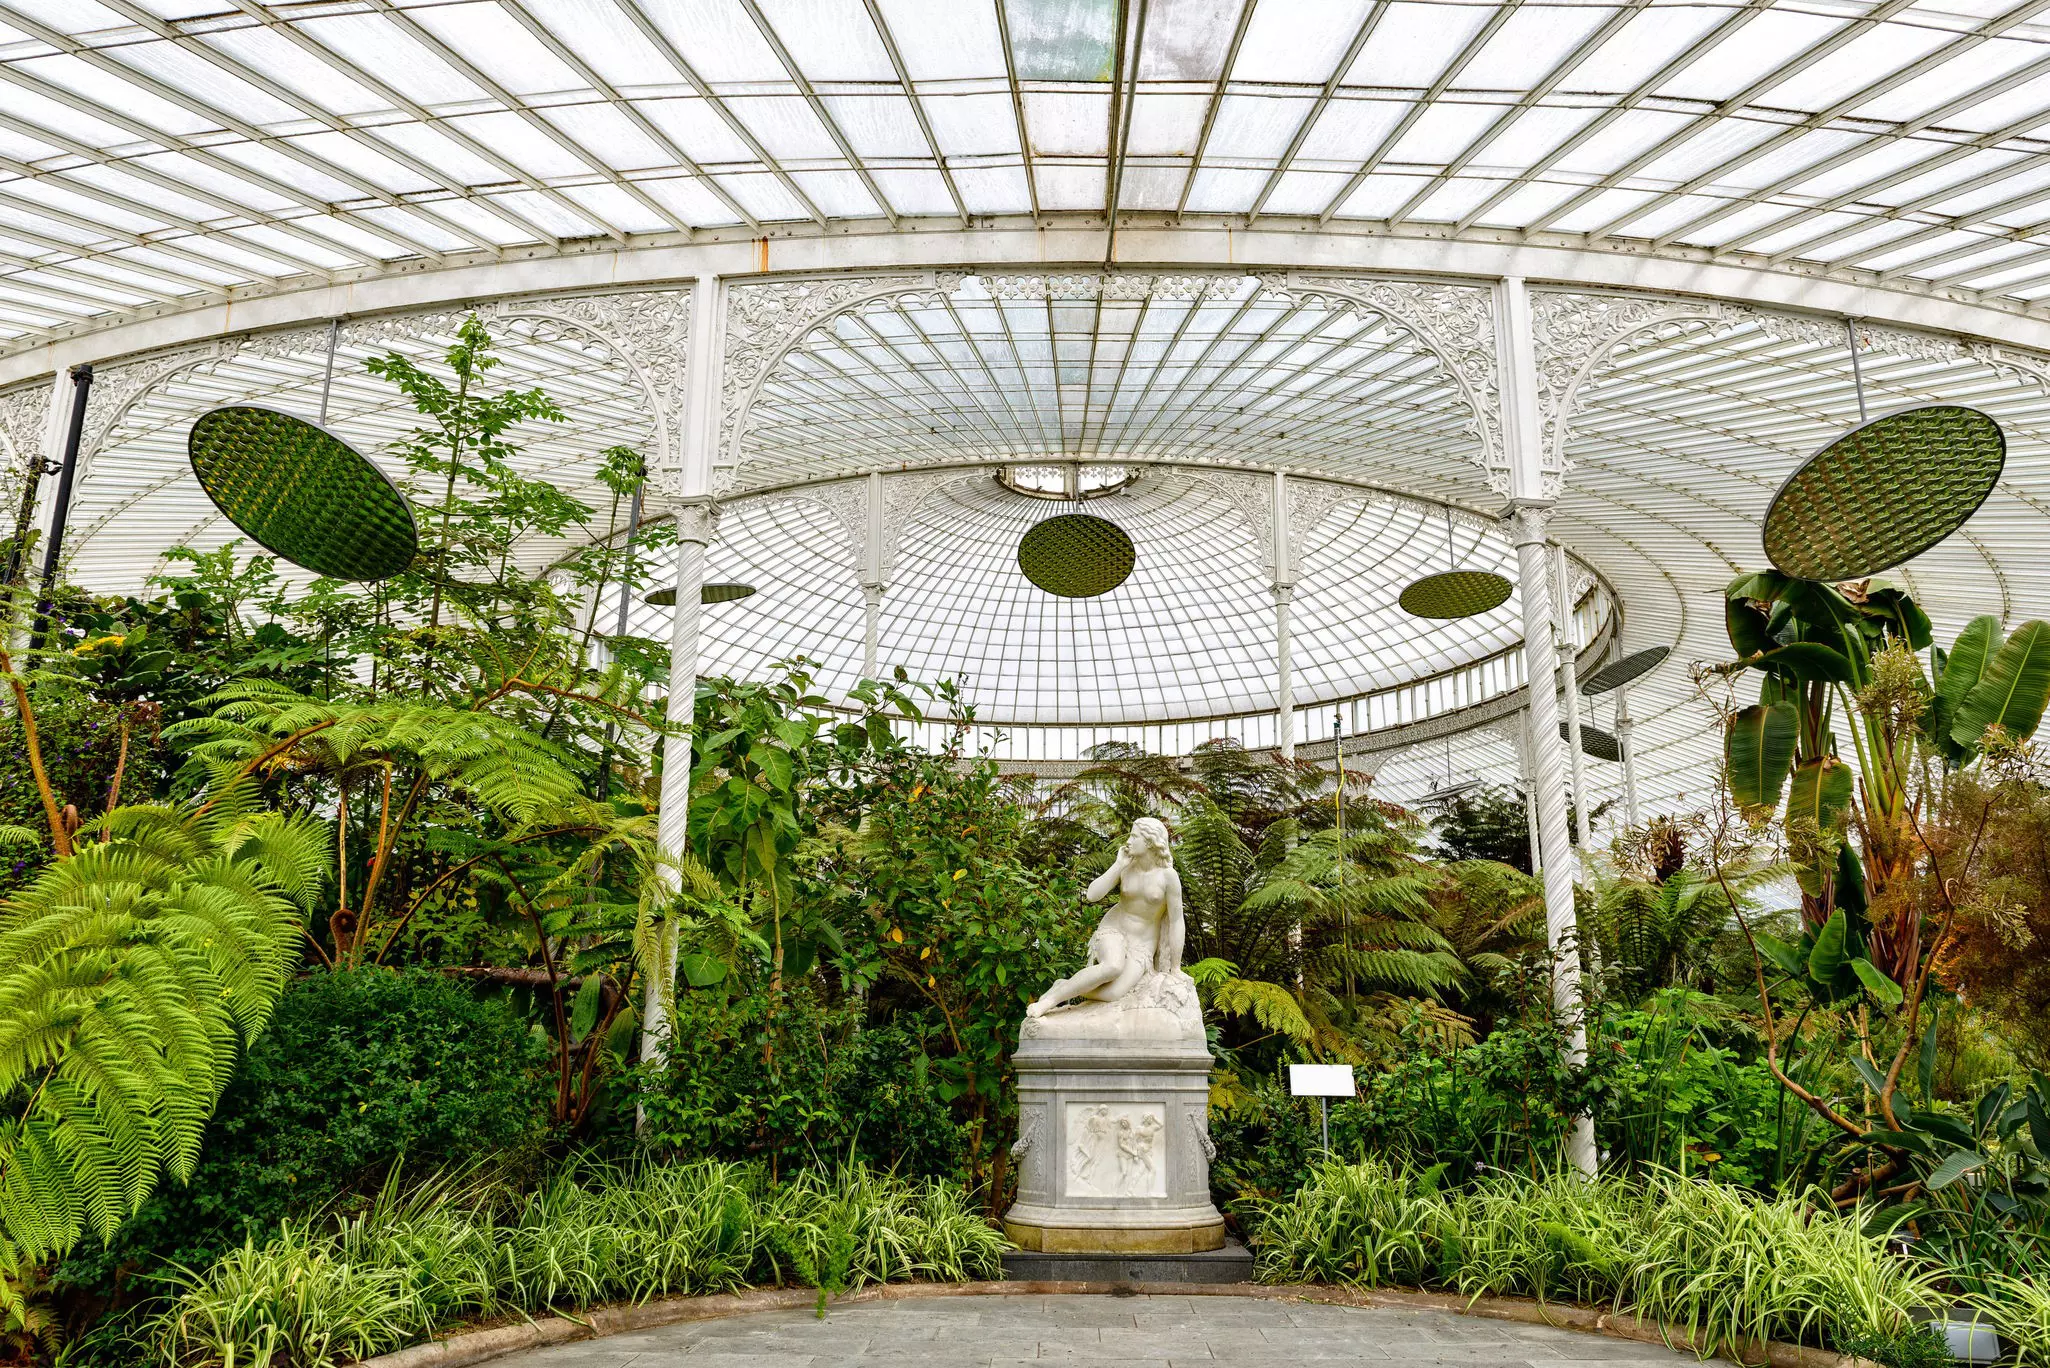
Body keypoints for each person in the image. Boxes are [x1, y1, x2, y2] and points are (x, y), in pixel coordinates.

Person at [1027, 816, 1184, 1017]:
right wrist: (1118, 865)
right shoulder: (1127, 866)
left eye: (1134, 837)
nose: (1128, 841)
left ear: (1149, 842)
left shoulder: (1168, 876)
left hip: (1143, 944)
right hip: (1115, 929)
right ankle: (1050, 1001)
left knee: (1114, 992)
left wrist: (1175, 967)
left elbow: (1177, 921)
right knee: (1113, 966)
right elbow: (1092, 895)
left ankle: (1065, 986)